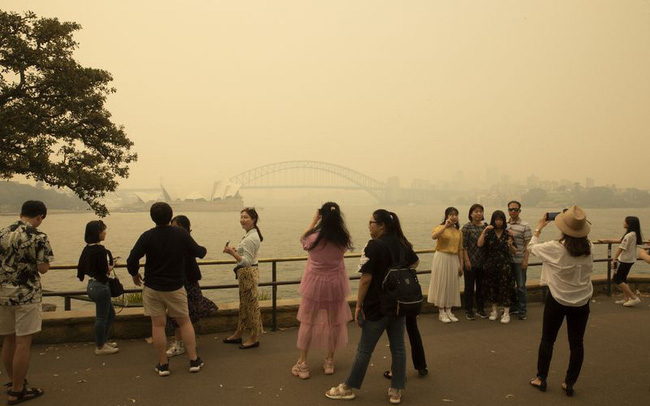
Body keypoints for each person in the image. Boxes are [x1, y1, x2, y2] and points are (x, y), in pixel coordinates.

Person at [325, 209, 418, 404]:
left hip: (377, 306)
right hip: (399, 305)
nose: (369, 226)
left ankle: (348, 387)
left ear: (382, 225)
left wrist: (358, 305)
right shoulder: (401, 242)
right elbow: (415, 262)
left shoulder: (373, 246)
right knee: (399, 347)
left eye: (371, 223)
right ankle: (396, 390)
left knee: (364, 350)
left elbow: (365, 279)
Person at [126, 202, 206, 376]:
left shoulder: (147, 236)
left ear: (152, 217)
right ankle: (193, 360)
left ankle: (163, 365)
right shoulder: (180, 234)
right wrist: (203, 249)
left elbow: (131, 259)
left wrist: (134, 274)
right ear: (170, 216)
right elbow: (198, 252)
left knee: (158, 325)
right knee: (184, 322)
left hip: (152, 287)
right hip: (175, 287)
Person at [528, 206, 593, 397]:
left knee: (548, 339)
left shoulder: (555, 248)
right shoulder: (590, 247)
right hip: (582, 301)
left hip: (557, 299)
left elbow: (531, 248)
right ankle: (569, 382)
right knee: (577, 343)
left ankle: (541, 377)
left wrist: (539, 227)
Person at [291, 202, 353, 379]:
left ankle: (303, 364)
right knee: (335, 321)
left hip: (314, 283)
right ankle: (329, 361)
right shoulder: (343, 237)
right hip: (335, 283)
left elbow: (302, 238)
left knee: (308, 321)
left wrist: (314, 219)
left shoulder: (313, 237)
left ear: (322, 216)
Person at [0, 201, 52, 404]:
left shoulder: (3, 233)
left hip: (3, 294)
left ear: (21, 213)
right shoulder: (38, 237)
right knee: (23, 343)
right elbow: (43, 268)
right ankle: (18, 390)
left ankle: (13, 381)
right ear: (39, 217)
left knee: (8, 340)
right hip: (27, 295)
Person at [166, 215, 218, 357]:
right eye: (172, 226)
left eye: (176, 227)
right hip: (177, 282)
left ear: (184, 227)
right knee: (178, 314)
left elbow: (201, 252)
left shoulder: (183, 240)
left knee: (184, 313)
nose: (174, 230)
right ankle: (183, 342)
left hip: (187, 281)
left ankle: (182, 343)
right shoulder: (174, 240)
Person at [223, 207, 263, 349]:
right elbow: (246, 255)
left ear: (253, 220)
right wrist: (236, 251)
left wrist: (230, 253)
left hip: (248, 274)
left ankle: (254, 338)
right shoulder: (250, 235)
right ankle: (238, 333)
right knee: (244, 306)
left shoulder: (251, 238)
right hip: (246, 274)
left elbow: (246, 261)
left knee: (252, 307)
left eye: (246, 217)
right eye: (241, 217)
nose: (243, 220)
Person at [77, 220, 119, 356]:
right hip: (101, 287)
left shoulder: (87, 248)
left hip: (91, 285)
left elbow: (82, 267)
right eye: (103, 231)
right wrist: (112, 265)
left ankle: (103, 341)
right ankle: (100, 346)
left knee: (110, 314)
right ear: (97, 233)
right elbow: (105, 270)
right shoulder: (100, 250)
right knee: (101, 317)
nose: (105, 233)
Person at [478, 210, 517, 324]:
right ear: (493, 220)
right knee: (492, 287)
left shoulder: (508, 233)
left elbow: (514, 251)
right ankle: (494, 311)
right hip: (491, 264)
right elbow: (479, 244)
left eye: (500, 220)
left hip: (505, 264)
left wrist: (510, 244)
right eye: (496, 220)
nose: (498, 222)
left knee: (506, 287)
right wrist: (484, 231)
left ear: (504, 221)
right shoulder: (489, 233)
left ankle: (506, 312)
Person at [428, 207, 463, 323]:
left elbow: (460, 249)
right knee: (441, 282)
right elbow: (434, 237)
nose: (454, 217)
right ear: (446, 216)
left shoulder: (459, 231)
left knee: (451, 283)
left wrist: (461, 264)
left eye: (455, 215)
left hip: (453, 258)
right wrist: (445, 226)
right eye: (451, 214)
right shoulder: (440, 227)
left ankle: (449, 309)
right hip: (442, 257)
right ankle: (441, 311)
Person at [598, 217, 643, 307]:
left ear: (629, 223)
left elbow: (620, 248)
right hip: (630, 260)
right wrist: (606, 240)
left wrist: (614, 260)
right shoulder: (633, 234)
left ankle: (634, 298)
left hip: (624, 260)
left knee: (617, 279)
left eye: (625, 221)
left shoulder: (629, 235)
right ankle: (626, 299)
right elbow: (620, 241)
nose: (623, 222)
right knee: (623, 279)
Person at [506, 200, 532, 320]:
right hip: (507, 261)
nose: (513, 211)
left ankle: (522, 311)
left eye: (515, 209)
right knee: (510, 286)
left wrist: (525, 260)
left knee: (521, 286)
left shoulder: (525, 226)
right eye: (511, 209)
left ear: (519, 211)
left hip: (519, 260)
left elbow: (529, 245)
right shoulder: (505, 224)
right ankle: (513, 307)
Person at [461, 204, 487, 320]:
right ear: (471, 214)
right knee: (469, 287)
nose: (478, 214)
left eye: (480, 211)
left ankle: (480, 309)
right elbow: (464, 246)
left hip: (483, 262)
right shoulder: (466, 227)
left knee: (481, 287)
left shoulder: (485, 227)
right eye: (475, 211)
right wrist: (466, 261)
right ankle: (468, 309)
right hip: (470, 261)